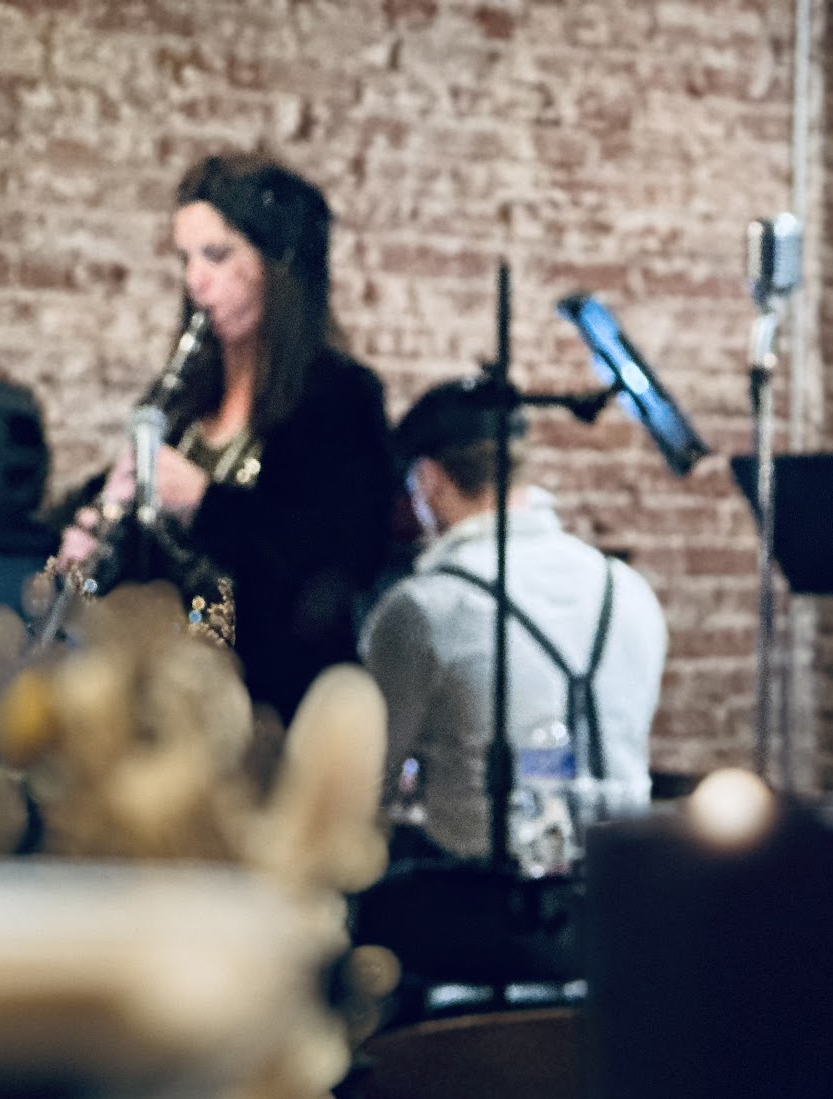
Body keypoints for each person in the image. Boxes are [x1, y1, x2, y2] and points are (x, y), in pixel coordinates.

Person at [53, 151, 398, 722]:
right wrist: (88, 534)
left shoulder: (338, 399)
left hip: (271, 707)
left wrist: (200, 501)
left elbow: (336, 561)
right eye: (186, 259)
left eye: (217, 256)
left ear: (279, 262)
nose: (195, 282)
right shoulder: (183, 398)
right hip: (162, 702)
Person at [359, 379, 667, 863]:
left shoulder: (422, 608)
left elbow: (365, 786)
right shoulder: (628, 590)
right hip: (627, 888)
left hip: (478, 893)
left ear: (429, 480)